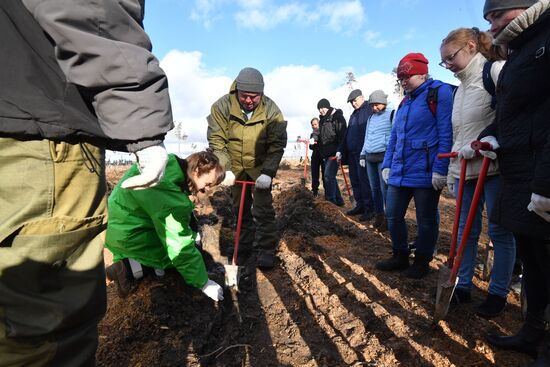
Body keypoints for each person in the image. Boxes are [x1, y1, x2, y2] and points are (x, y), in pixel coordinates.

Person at [0, 1, 173, 365]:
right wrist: (143, 127)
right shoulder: (170, 191)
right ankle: (132, 270)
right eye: (206, 188)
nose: (206, 195)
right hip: (38, 134)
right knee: (46, 335)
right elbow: (91, 9)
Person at [480, 1, 550, 365]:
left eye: (495, 15)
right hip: (521, 176)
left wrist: (548, 183)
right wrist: (492, 136)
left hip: (542, 179)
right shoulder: (519, 50)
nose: (490, 25)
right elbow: (513, 114)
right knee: (535, 264)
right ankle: (532, 333)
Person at [440, 27, 516, 318]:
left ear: (471, 46)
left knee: (499, 230)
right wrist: (451, 169)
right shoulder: (459, 89)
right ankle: (462, 284)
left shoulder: (494, 72)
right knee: (464, 231)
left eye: (451, 57)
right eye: (443, 61)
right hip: (465, 168)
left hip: (493, 166)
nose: (448, 65)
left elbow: (510, 114)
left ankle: (498, 292)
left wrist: (492, 139)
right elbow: (457, 134)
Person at [105, 150, 225, 301]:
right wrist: (203, 282)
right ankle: (126, 270)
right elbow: (178, 245)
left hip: (118, 225)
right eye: (207, 184)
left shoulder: (166, 165)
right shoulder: (168, 194)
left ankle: (128, 271)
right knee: (174, 256)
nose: (207, 190)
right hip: (129, 234)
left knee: (186, 239)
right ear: (197, 170)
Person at [375, 52, 453, 279]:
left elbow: (446, 132)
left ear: (423, 72)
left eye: (408, 76)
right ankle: (399, 254)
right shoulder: (404, 101)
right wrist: (387, 164)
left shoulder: (439, 93)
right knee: (393, 214)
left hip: (426, 170)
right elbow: (395, 137)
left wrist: (441, 167)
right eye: (401, 77)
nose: (404, 81)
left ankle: (422, 261)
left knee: (425, 219)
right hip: (400, 170)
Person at [207, 67, 287, 269]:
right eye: (245, 96)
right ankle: (243, 247)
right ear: (237, 92)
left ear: (261, 93)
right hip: (235, 168)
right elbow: (217, 140)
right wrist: (225, 168)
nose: (249, 101)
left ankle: (266, 249)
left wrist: (268, 172)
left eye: (255, 97)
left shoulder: (271, 110)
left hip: (260, 167)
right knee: (239, 208)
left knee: (262, 208)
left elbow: (276, 144)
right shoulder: (222, 106)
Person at [338, 89, 376, 221]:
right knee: (355, 181)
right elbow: (348, 133)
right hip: (352, 154)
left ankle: (370, 208)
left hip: (363, 154)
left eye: (355, 101)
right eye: (351, 102)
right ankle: (360, 205)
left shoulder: (369, 110)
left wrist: (365, 152)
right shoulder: (354, 114)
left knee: (364, 181)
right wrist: (340, 149)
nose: (353, 104)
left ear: (362, 97)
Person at [359, 90, 394, 230]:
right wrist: (362, 155)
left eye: (377, 105)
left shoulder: (392, 114)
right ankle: (379, 215)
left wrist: (391, 158)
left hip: (383, 156)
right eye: (372, 106)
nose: (374, 108)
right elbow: (367, 137)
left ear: (383, 102)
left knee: (385, 189)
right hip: (370, 157)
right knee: (374, 189)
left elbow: (394, 135)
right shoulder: (371, 118)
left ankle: (388, 217)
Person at [317, 98, 347, 207]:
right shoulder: (322, 120)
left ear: (328, 106)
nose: (320, 110)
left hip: (335, 153)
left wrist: (340, 150)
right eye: (319, 109)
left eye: (322, 108)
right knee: (331, 177)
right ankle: (339, 200)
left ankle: (331, 203)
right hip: (325, 153)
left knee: (328, 176)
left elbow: (343, 135)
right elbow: (321, 137)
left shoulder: (337, 117)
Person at [309, 117, 325, 197]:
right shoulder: (312, 134)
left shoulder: (323, 131)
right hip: (315, 156)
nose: (314, 126)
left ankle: (328, 192)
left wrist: (318, 141)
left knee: (325, 174)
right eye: (312, 125)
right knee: (315, 174)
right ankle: (314, 191)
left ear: (319, 124)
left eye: (315, 124)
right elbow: (311, 147)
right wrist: (312, 144)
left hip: (323, 155)